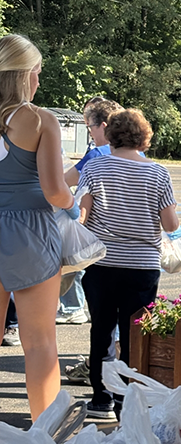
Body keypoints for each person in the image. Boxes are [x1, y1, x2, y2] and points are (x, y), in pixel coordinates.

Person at [78, 108, 180, 419]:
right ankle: (129, 398)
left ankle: (101, 397)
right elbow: (171, 223)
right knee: (135, 334)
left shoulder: (95, 169)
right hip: (142, 266)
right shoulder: (158, 173)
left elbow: (80, 217)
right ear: (144, 138)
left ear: (110, 135)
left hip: (102, 263)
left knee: (102, 330)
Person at [0, 34, 77, 420]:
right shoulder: (39, 119)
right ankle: (43, 428)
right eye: (38, 73)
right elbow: (54, 189)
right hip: (29, 232)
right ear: (27, 75)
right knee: (41, 342)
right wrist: (72, 205)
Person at [58, 100, 125, 326]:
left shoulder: (97, 155)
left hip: (103, 238)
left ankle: (72, 307)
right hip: (133, 247)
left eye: (90, 128)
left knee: (74, 260)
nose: (90, 133)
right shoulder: (140, 157)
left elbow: (67, 181)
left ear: (103, 126)